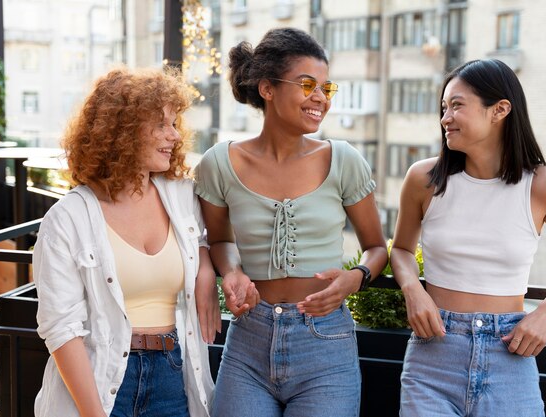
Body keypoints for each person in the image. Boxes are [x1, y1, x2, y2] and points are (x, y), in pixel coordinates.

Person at [194, 27, 387, 417]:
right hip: (248, 338)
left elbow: (377, 247)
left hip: (325, 342)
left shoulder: (344, 160)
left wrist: (357, 277)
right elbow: (218, 241)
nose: (320, 97)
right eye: (307, 84)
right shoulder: (219, 163)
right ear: (267, 88)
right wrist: (231, 271)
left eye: (326, 88)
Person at [391, 58, 546, 416]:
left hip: (510, 352)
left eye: (456, 106)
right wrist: (413, 291)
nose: (445, 118)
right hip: (433, 351)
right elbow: (403, 249)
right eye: (443, 107)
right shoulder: (423, 179)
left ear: (499, 110)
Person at [33, 67, 218, 417]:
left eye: (175, 123)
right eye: (162, 124)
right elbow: (61, 328)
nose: (175, 136)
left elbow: (207, 238)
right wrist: (93, 413)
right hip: (97, 384)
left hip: (172, 375)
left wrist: (206, 266)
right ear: (122, 131)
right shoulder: (67, 218)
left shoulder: (182, 197)